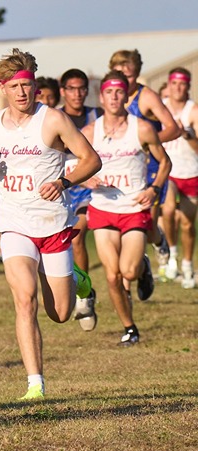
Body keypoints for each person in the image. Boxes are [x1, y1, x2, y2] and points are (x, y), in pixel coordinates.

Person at [0, 48, 100, 400]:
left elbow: (91, 160)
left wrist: (65, 182)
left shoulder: (52, 120)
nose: (22, 92)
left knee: (60, 312)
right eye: (15, 86)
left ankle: (79, 280)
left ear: (34, 86)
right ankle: (35, 384)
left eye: (27, 85)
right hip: (13, 223)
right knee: (25, 300)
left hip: (53, 225)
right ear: (3, 89)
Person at [80, 71, 171, 346]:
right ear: (102, 96)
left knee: (128, 272)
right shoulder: (89, 131)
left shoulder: (141, 128)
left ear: (126, 95)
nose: (115, 97)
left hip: (133, 206)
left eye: (120, 92)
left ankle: (143, 266)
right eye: (109, 92)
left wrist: (153, 189)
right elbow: (73, 165)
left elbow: (165, 162)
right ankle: (130, 327)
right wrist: (86, 177)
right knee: (112, 275)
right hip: (103, 206)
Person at [110, 50, 180, 277]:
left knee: (146, 224)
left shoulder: (146, 96)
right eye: (119, 74)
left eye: (129, 76)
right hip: (121, 168)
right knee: (123, 224)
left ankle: (158, 240)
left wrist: (146, 141)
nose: (124, 80)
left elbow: (172, 127)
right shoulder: (110, 97)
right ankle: (130, 277)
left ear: (137, 74)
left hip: (149, 168)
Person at [59, 68, 103, 331]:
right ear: (63, 91)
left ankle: (83, 297)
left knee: (77, 236)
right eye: (71, 89)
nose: (77, 94)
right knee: (66, 242)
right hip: (61, 188)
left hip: (91, 188)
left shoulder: (95, 116)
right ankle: (81, 286)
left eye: (81, 88)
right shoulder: (53, 117)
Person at [161, 68, 198, 288]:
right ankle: (172, 254)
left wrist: (188, 135)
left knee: (187, 224)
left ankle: (187, 265)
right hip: (169, 171)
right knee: (167, 209)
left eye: (182, 84)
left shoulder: (192, 111)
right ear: (168, 84)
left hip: (191, 172)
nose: (178, 88)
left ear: (188, 86)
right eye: (174, 83)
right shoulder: (160, 107)